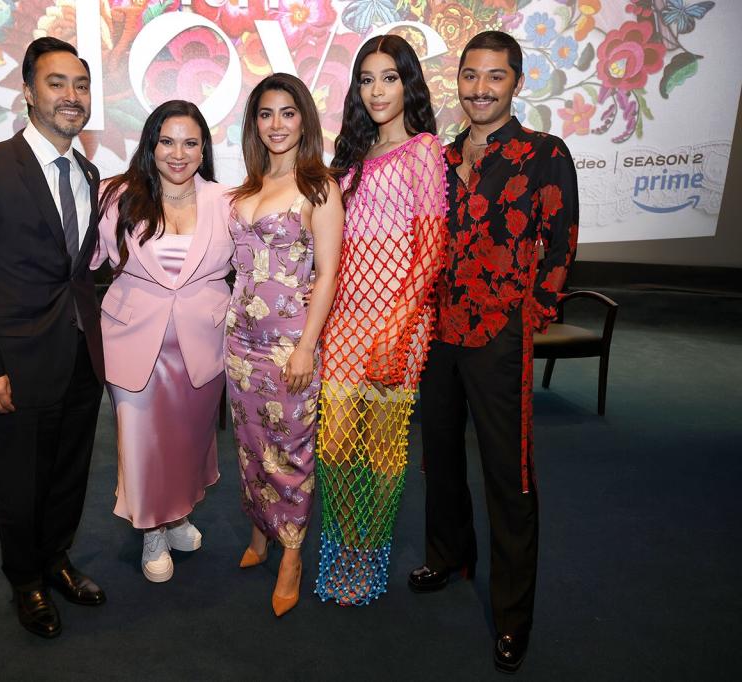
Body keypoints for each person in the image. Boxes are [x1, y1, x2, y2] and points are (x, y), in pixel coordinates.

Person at [407, 31, 579, 673]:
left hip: (499, 336)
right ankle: (448, 555)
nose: (480, 88)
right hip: (438, 331)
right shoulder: (441, 157)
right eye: (470, 75)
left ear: (516, 81)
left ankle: (512, 616)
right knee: (441, 455)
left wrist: (527, 321)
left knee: (510, 476)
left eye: (494, 77)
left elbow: (560, 245)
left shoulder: (544, 153)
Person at [0, 37, 106, 639]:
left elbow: (79, 273)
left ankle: (57, 560)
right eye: (57, 83)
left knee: (68, 474)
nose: (71, 96)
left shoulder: (87, 172)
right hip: (13, 364)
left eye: (81, 85)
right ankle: (26, 582)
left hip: (80, 359)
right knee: (20, 484)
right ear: (29, 92)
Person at [315, 34, 447, 606]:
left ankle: (369, 550)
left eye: (389, 77)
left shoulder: (424, 151)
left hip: (399, 316)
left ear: (409, 83)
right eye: (366, 79)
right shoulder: (346, 159)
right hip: (343, 318)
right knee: (336, 443)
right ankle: (346, 541)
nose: (376, 90)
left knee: (383, 445)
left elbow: (431, 248)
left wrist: (398, 321)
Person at [93, 100, 232, 583]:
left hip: (201, 341)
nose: (178, 153)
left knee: (188, 441)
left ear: (203, 149)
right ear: (150, 145)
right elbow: (94, 258)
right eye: (167, 141)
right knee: (140, 440)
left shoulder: (226, 200)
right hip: (134, 338)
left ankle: (177, 515)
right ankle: (151, 528)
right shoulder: (117, 196)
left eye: (190, 143)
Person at [225, 73, 343, 617]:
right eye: (266, 114)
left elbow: (326, 276)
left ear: (305, 121)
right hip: (239, 343)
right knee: (250, 444)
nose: (276, 124)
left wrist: (306, 347)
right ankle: (259, 532)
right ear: (255, 123)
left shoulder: (319, 186)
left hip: (287, 344)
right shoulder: (246, 188)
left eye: (287, 113)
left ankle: (292, 553)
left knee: (289, 450)